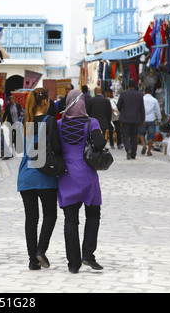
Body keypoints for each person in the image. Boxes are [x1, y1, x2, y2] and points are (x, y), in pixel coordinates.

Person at [56, 89, 106, 274]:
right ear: (82, 103)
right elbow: (100, 144)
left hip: (67, 176)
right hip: (87, 175)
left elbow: (55, 147)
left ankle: (73, 264)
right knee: (93, 214)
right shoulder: (91, 122)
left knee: (70, 220)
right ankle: (88, 255)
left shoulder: (59, 124)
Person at [17, 87, 62, 270]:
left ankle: (32, 260)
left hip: (26, 175)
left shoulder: (23, 121)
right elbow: (57, 149)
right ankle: (41, 250)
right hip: (44, 175)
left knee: (31, 218)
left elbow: (21, 147)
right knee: (50, 214)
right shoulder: (49, 120)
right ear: (45, 102)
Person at [117, 80, 145, 159]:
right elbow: (142, 108)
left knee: (125, 135)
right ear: (135, 85)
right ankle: (133, 154)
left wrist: (123, 112)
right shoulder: (139, 95)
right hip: (136, 119)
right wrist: (142, 119)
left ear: (128, 85)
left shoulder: (123, 94)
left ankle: (128, 148)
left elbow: (118, 106)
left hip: (126, 119)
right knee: (134, 137)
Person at [139, 87, 162, 156]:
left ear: (144, 92)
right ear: (151, 92)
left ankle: (143, 145)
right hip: (151, 119)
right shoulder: (154, 100)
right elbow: (158, 110)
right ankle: (149, 151)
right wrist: (159, 120)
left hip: (143, 119)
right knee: (151, 136)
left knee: (141, 133)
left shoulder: (141, 99)